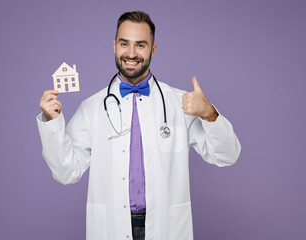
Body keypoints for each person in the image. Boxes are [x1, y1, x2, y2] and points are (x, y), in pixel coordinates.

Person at [37, 11, 241, 240]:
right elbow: (66, 172)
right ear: (114, 46)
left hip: (166, 226)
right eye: (124, 43)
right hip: (111, 226)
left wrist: (208, 113)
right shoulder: (92, 108)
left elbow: (227, 155)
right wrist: (52, 122)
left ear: (153, 50)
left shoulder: (180, 103)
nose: (131, 53)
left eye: (141, 45)